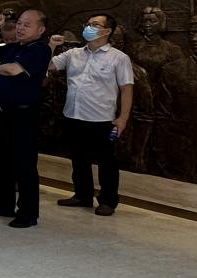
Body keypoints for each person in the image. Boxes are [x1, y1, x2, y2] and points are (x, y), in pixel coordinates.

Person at [49, 15, 134, 216]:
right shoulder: (73, 54)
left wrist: (123, 118)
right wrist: (51, 46)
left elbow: (127, 89)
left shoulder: (119, 58)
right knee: (78, 159)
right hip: (73, 114)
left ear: (107, 31)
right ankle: (82, 195)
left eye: (95, 25)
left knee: (106, 162)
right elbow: (48, 66)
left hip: (101, 118)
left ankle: (108, 200)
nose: (89, 27)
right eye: (87, 24)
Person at [0, 9, 52, 228]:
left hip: (22, 115)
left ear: (41, 29)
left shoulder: (40, 49)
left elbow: (13, 70)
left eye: (27, 25)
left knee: (23, 165)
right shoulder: (12, 47)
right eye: (19, 23)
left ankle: (28, 212)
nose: (20, 28)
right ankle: (4, 204)